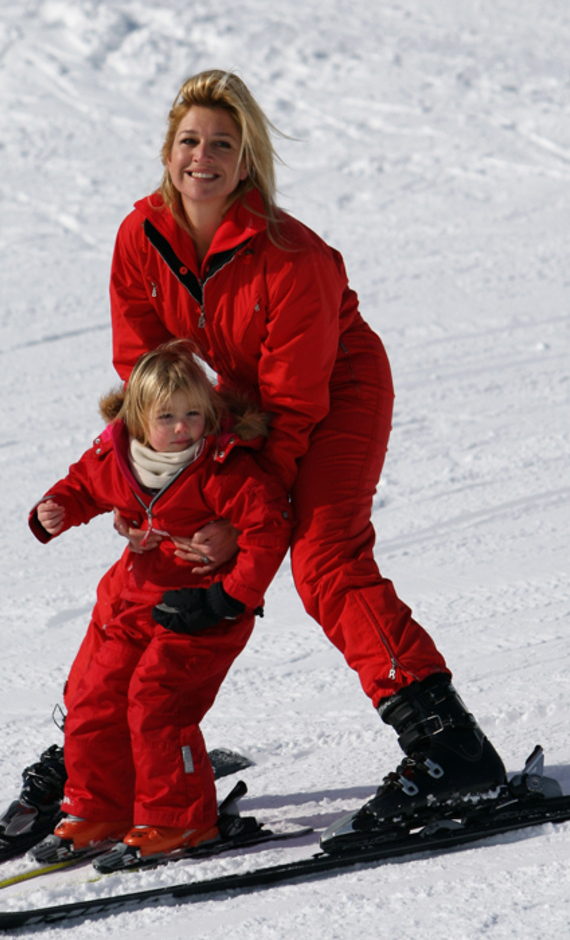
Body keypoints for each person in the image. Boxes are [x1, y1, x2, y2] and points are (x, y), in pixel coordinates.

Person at [102, 68, 507, 845]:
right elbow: (146, 381)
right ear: (166, 149)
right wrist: (145, 489)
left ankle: (450, 750)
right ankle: (119, 748)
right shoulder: (138, 238)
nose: (202, 157)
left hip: (332, 396)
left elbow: (292, 413)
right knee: (166, 546)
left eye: (223, 144)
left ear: (246, 161)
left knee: (323, 556)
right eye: (190, 140)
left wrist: (246, 517)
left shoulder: (293, 258)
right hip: (229, 405)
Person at [27, 340, 293, 863]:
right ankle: (100, 808)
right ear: (137, 420)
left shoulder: (221, 466)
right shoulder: (118, 456)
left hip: (204, 609)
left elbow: (269, 527)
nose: (182, 428)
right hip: (139, 599)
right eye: (166, 417)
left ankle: (181, 819)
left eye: (193, 414)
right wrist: (56, 508)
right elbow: (82, 485)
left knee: (156, 698)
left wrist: (230, 596)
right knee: (94, 696)